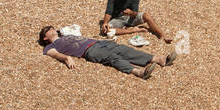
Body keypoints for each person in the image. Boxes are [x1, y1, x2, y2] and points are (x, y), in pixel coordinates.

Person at [38, 26, 175, 80]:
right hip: (89, 50)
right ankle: (138, 72)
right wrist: (67, 58)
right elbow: (54, 54)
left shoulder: (64, 35)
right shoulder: (50, 46)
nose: (52, 29)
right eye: (48, 30)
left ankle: (159, 59)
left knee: (125, 50)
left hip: (98, 43)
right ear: (45, 37)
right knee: (112, 58)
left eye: (52, 27)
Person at [100, 0, 171, 42]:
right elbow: (108, 11)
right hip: (118, 19)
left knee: (146, 16)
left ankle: (163, 35)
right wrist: (105, 22)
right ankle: (132, 30)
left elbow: (135, 13)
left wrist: (131, 12)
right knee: (107, 30)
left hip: (131, 17)